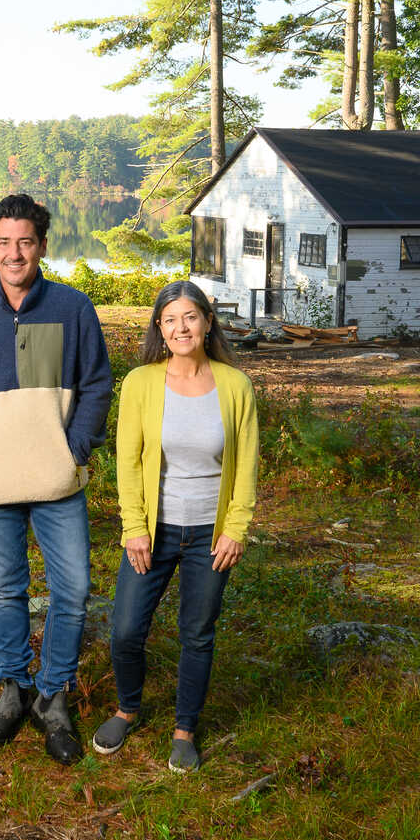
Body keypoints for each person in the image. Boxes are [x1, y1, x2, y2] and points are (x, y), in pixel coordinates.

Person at [0, 193, 112, 765]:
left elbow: (96, 387)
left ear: (41, 246)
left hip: (58, 483)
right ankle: (13, 687)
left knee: (74, 591)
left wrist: (74, 450)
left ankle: (53, 694)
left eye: (26, 242)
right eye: (5, 242)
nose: (15, 253)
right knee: (6, 590)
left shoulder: (73, 309)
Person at [91, 280, 258, 773]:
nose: (181, 327)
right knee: (124, 631)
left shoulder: (235, 386)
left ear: (207, 322)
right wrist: (134, 526)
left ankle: (185, 729)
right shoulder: (141, 382)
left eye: (190, 316)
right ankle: (128, 708)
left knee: (197, 632)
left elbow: (246, 463)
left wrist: (236, 528)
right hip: (154, 530)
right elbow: (127, 461)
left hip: (211, 532)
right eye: (170, 319)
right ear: (160, 330)